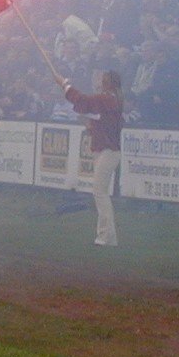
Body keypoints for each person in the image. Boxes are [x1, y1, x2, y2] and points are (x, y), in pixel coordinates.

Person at [59, 69, 123, 246]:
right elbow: (99, 118)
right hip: (104, 149)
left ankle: (106, 236)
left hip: (108, 151)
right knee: (100, 192)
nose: (99, 82)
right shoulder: (112, 99)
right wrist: (90, 125)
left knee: (99, 192)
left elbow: (83, 101)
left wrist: (65, 85)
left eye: (102, 79)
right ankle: (107, 235)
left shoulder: (108, 98)